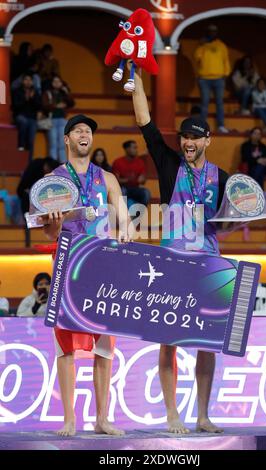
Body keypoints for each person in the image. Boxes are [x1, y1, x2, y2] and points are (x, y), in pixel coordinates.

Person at [131, 67, 228, 434]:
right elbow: (145, 121)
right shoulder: (169, 162)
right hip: (171, 265)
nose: (188, 142)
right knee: (168, 342)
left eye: (195, 138)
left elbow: (231, 218)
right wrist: (136, 79)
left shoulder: (223, 176)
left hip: (207, 265)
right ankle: (173, 414)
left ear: (207, 141)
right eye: (185, 136)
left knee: (207, 344)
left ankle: (202, 415)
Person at [39, 114, 132, 437]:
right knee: (66, 348)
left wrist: (126, 231)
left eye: (88, 131)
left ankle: (102, 418)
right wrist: (57, 221)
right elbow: (50, 231)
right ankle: (69, 419)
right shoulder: (53, 180)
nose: (84, 134)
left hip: (103, 266)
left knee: (104, 346)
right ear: (66, 140)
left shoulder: (107, 179)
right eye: (78, 130)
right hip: (67, 263)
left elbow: (125, 220)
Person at [194, 24, 231, 134]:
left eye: (214, 31)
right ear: (207, 32)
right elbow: (197, 57)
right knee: (204, 103)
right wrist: (201, 45)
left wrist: (226, 73)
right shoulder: (202, 45)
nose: (212, 33)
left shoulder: (221, 45)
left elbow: (226, 61)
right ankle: (202, 127)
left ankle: (221, 125)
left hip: (219, 78)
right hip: (204, 78)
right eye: (210, 31)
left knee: (219, 103)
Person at [42, 75, 75, 163]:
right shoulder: (48, 93)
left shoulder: (63, 93)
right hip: (51, 120)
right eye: (55, 81)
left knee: (62, 144)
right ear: (52, 83)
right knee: (53, 144)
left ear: (61, 83)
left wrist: (66, 92)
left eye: (58, 82)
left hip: (62, 120)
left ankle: (62, 165)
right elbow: (44, 106)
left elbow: (71, 103)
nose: (57, 83)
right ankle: (52, 165)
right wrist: (56, 106)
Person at [112, 140, 151, 209]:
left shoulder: (140, 162)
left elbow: (142, 180)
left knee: (146, 193)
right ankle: (123, 215)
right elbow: (116, 180)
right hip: (122, 188)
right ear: (127, 149)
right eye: (134, 148)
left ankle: (138, 214)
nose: (136, 150)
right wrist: (131, 180)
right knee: (122, 192)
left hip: (135, 188)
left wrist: (142, 179)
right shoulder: (118, 162)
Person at [12, 73, 42, 159]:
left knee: (31, 140)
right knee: (24, 122)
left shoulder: (35, 92)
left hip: (32, 117)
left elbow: (39, 106)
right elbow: (15, 106)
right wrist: (25, 99)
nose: (28, 82)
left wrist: (32, 98)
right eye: (26, 80)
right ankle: (21, 146)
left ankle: (29, 160)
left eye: (30, 80)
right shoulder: (17, 91)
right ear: (22, 81)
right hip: (20, 115)